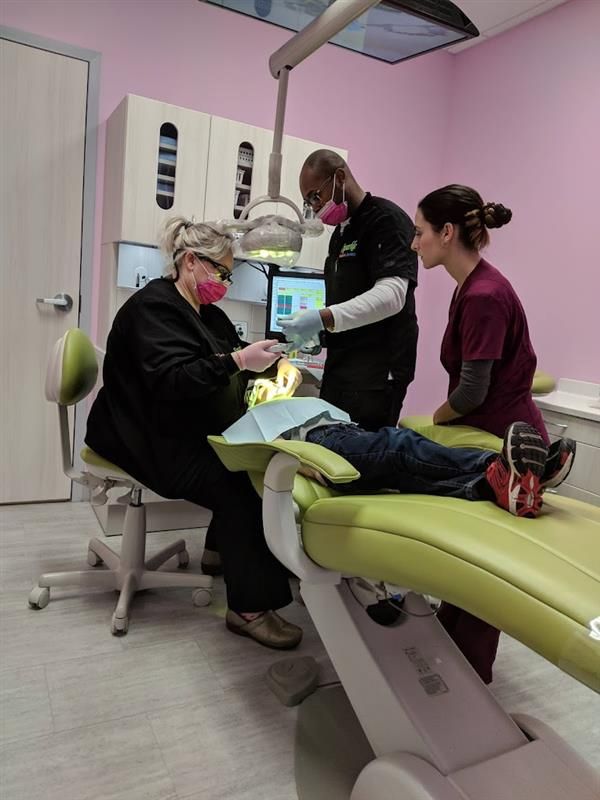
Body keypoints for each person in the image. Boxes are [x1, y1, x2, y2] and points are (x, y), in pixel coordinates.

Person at [85, 217, 302, 650]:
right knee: (241, 484)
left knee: (245, 458)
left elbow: (228, 359)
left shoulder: (207, 313)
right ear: (190, 261)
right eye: (221, 272)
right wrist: (239, 362)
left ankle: (220, 554)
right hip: (142, 437)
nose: (224, 282)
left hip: (175, 427)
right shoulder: (153, 308)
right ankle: (249, 610)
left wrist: (270, 366)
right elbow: (174, 381)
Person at [411, 184, 576, 682]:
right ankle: (450, 652)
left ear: (446, 232)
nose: (414, 243)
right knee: (469, 561)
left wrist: (437, 419)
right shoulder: (472, 285)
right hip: (492, 432)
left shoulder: (483, 295)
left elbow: (472, 391)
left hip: (506, 444)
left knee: (485, 568)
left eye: (419, 232)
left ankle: (468, 678)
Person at [224, 395, 573, 521]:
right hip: (325, 445)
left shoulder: (296, 401)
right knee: (399, 444)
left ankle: (492, 486)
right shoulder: (258, 419)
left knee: (411, 474)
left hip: (343, 435)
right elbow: (264, 454)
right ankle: (497, 466)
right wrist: (306, 465)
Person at [277, 150, 418, 431]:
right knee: (328, 447)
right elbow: (347, 299)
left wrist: (322, 318)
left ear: (340, 177)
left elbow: (392, 296)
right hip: (341, 371)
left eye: (315, 196)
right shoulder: (341, 234)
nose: (315, 207)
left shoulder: (386, 221)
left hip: (376, 376)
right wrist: (318, 334)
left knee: (363, 453)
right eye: (309, 202)